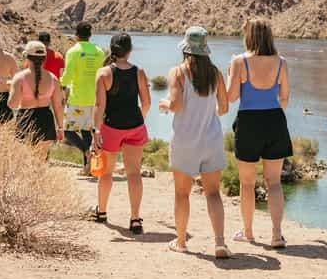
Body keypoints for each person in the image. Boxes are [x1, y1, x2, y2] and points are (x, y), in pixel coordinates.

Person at [159, 26, 231, 257]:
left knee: (182, 193)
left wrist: (164, 105)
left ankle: (181, 242)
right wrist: (206, 113)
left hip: (184, 141)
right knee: (213, 193)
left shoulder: (178, 73)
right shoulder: (216, 73)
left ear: (186, 50)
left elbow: (177, 105)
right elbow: (224, 108)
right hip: (211, 140)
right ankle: (220, 243)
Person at [226, 18, 291, 248]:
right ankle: (276, 235)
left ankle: (249, 233)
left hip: (248, 123)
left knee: (246, 183)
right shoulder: (281, 62)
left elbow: (231, 97)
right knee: (274, 182)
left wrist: (229, 75)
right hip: (274, 120)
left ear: (249, 36)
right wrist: (271, 114)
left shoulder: (239, 62)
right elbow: (284, 98)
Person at [91, 33, 151, 234]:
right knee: (133, 172)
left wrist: (96, 130)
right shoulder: (139, 72)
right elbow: (147, 103)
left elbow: (99, 106)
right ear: (130, 50)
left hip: (111, 128)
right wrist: (138, 120)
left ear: (112, 49)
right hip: (135, 126)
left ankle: (102, 212)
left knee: (106, 172)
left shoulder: (103, 73)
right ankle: (135, 219)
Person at [60, 22, 105, 172]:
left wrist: (60, 83)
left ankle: (86, 151)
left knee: (68, 131)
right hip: (95, 99)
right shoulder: (99, 52)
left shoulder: (73, 52)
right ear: (90, 35)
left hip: (77, 98)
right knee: (87, 132)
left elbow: (67, 76)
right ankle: (88, 167)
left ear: (76, 35)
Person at [8, 41, 64, 159]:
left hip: (25, 119)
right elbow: (58, 106)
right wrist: (60, 128)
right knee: (40, 160)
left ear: (26, 57)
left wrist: (12, 88)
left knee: (24, 161)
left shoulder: (19, 78)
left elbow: (12, 104)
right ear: (44, 58)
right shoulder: (53, 78)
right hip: (46, 119)